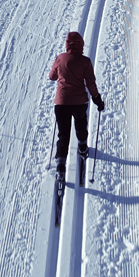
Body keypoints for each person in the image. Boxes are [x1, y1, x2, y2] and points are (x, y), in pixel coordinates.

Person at [49, 31, 105, 172]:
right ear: (81, 44)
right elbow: (91, 83)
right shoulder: (85, 61)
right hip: (79, 103)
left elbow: (52, 77)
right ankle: (82, 148)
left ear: (67, 44)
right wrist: (97, 99)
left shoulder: (60, 58)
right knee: (80, 126)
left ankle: (61, 165)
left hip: (61, 103)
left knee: (63, 134)